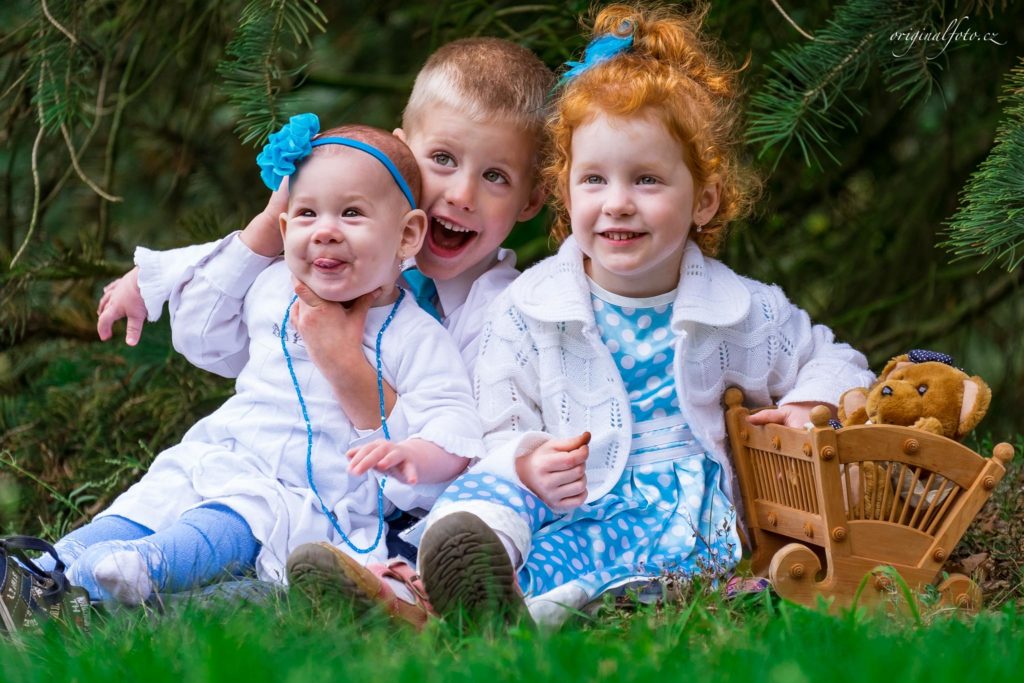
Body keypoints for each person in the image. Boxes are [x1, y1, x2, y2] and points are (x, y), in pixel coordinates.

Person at [416, 2, 876, 629]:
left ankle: (511, 616)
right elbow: (498, 423)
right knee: (485, 499)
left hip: (681, 516)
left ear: (705, 200)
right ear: (566, 187)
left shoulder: (742, 308)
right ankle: (455, 578)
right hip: (564, 495)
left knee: (582, 568)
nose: (618, 204)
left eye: (648, 181)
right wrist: (527, 460)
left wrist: (810, 404)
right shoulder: (529, 308)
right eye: (595, 180)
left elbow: (839, 361)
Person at [93, 38, 554, 624]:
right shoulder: (341, 252)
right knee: (191, 520)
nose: (460, 194)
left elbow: (461, 462)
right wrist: (259, 230)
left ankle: (167, 607)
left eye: (494, 176)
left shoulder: (502, 317)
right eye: (442, 160)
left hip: (395, 533)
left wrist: (346, 368)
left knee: (257, 591)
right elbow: (214, 340)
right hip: (272, 479)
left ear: (532, 198)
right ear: (402, 151)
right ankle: (75, 583)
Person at [40, 119, 482, 607]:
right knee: (152, 498)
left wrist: (416, 454)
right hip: (223, 452)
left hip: (303, 495)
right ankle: (44, 570)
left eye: (352, 213)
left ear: (407, 235)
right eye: (307, 214)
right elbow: (203, 327)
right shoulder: (273, 286)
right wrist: (144, 283)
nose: (326, 232)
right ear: (285, 227)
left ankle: (146, 564)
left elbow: (453, 423)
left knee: (238, 515)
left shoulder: (413, 333)